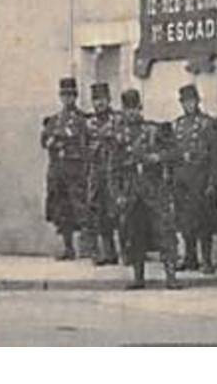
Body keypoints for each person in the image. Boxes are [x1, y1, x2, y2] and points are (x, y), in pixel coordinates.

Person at [112, 88, 180, 290]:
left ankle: (171, 276)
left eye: (135, 109)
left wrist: (158, 157)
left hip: (154, 189)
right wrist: (117, 194)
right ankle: (138, 277)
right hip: (132, 191)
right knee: (135, 234)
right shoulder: (118, 136)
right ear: (123, 111)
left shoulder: (154, 130)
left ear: (140, 109)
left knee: (165, 232)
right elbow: (112, 169)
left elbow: (175, 152)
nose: (131, 113)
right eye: (128, 109)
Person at [171, 84, 217, 273]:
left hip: (201, 180)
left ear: (197, 101)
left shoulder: (207, 124)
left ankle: (207, 260)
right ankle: (190, 257)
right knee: (185, 222)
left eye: (192, 101)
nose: (189, 105)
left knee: (205, 222)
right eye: (185, 102)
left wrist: (213, 183)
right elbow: (172, 154)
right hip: (182, 181)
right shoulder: (177, 125)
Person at [41, 76, 91, 260]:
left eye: (70, 95)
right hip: (57, 171)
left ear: (76, 97)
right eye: (64, 95)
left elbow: (84, 144)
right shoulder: (53, 120)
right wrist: (54, 139)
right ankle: (68, 248)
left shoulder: (82, 119)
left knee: (81, 207)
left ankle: (89, 247)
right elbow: (45, 141)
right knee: (61, 209)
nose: (67, 99)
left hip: (75, 171)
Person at [83, 82, 123, 265]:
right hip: (96, 171)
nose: (99, 103)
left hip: (115, 171)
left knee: (119, 211)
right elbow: (83, 147)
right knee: (99, 212)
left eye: (102, 99)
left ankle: (127, 251)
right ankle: (107, 251)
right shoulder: (89, 123)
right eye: (96, 100)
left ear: (109, 100)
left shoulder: (117, 120)